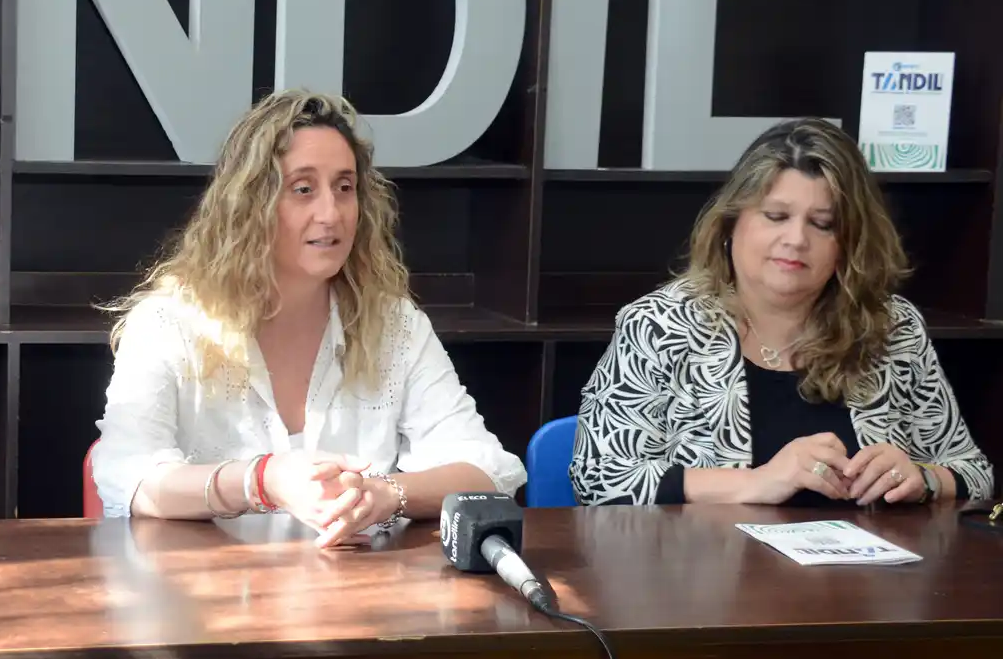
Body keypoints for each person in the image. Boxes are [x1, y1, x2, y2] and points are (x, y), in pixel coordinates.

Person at [91, 89, 524, 547]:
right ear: (249, 205)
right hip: (207, 584)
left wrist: (383, 495)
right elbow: (131, 478)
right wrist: (262, 480)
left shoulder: (394, 325)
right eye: (303, 189)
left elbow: (489, 471)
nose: (331, 213)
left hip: (359, 584)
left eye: (344, 187)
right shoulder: (167, 323)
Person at [570, 117, 992, 507]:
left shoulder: (892, 328)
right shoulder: (661, 324)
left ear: (849, 244)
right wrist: (756, 482)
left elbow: (974, 473)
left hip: (869, 564)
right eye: (776, 216)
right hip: (708, 563)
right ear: (731, 224)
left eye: (822, 224)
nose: (796, 239)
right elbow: (597, 477)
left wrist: (924, 478)